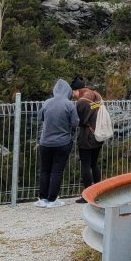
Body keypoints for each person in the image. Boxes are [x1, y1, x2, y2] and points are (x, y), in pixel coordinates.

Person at [36, 78, 78, 208]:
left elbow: (40, 117)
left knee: (44, 170)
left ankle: (42, 199)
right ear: (68, 91)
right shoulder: (69, 104)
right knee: (57, 171)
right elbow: (75, 122)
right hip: (62, 142)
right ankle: (52, 199)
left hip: (45, 142)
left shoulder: (47, 102)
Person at [70, 76, 104, 203]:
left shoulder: (81, 102)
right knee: (94, 163)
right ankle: (99, 192)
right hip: (98, 134)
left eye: (73, 92)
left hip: (86, 137)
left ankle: (88, 195)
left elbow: (79, 121)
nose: (72, 95)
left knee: (85, 165)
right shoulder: (96, 95)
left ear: (77, 90)